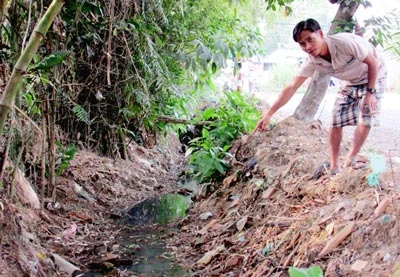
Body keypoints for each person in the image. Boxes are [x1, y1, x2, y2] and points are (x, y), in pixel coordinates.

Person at [255, 18, 386, 175]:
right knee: (336, 118)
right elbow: (291, 87)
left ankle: (351, 157)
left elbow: (372, 62)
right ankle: (334, 165)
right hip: (351, 81)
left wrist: (370, 93)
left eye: (310, 39)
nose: (308, 47)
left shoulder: (345, 43)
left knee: (366, 115)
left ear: (321, 34)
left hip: (374, 74)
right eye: (302, 44)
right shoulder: (312, 61)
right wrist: (269, 114)